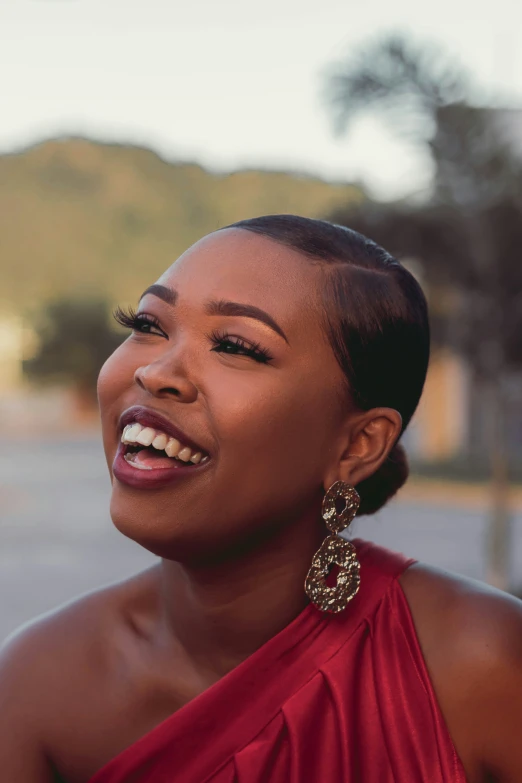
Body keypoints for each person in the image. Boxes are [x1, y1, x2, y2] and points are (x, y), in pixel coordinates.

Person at [1, 215, 522, 783]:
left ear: (357, 444)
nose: (155, 371)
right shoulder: (36, 685)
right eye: (148, 324)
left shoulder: (481, 663)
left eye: (235, 346)